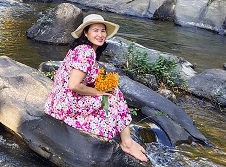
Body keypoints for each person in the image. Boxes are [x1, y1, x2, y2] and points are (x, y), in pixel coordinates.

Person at [44, 13, 148, 163]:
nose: (100, 35)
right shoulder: (86, 52)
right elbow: (73, 85)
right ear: (86, 33)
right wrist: (98, 92)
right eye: (95, 30)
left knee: (113, 90)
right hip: (66, 104)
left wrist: (102, 85)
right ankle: (126, 143)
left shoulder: (83, 49)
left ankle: (127, 140)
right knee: (112, 98)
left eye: (103, 31)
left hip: (58, 99)